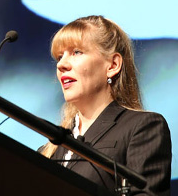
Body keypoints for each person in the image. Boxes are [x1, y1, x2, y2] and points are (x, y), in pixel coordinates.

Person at [39, 15, 172, 195]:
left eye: (76, 52)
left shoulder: (142, 127)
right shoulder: (49, 150)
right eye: (59, 56)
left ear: (113, 65)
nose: (61, 64)